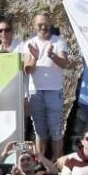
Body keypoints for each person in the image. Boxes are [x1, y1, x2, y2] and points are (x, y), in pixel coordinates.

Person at [23, 12, 71, 160]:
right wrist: (35, 58)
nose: (43, 27)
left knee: (56, 129)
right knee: (39, 130)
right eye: (39, 24)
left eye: (45, 24)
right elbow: (27, 69)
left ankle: (56, 163)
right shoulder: (29, 44)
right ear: (34, 25)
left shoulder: (59, 41)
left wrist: (52, 55)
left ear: (50, 24)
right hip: (35, 91)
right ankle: (41, 162)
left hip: (54, 91)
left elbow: (64, 63)